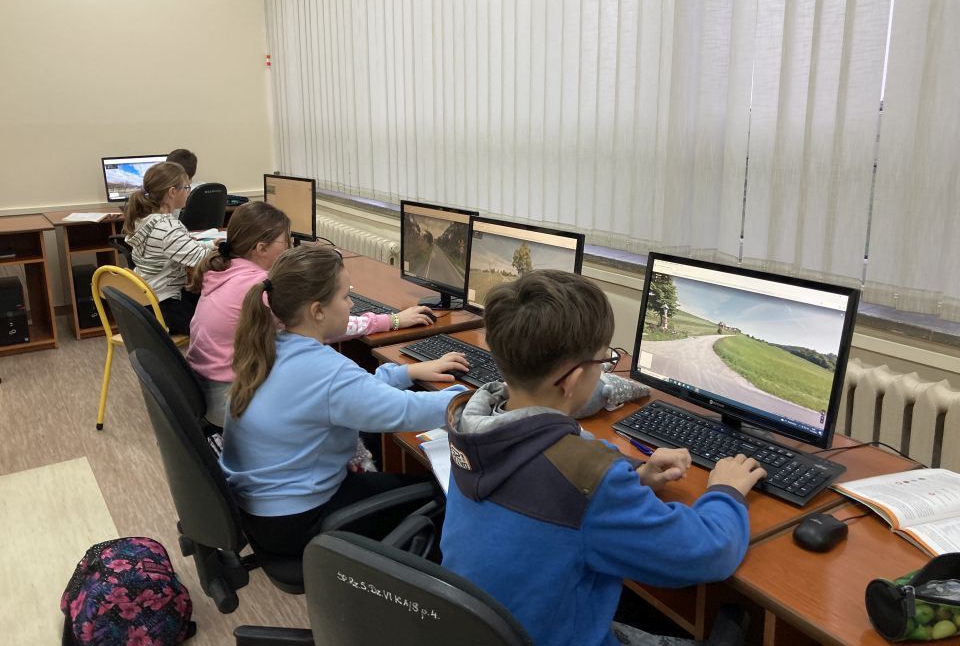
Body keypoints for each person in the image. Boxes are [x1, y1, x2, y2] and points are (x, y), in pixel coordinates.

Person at [439, 270, 766, 646]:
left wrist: (636, 478)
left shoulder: (471, 432)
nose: (605, 370)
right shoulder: (590, 479)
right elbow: (709, 554)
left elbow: (545, 485)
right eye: (605, 361)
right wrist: (726, 491)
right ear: (573, 380)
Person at [220, 245, 469, 557]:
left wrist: (407, 372)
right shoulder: (325, 371)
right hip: (299, 522)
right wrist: (474, 396)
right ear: (317, 311)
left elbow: (351, 392)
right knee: (442, 494)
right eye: (345, 297)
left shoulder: (272, 345)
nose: (351, 305)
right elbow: (406, 411)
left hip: (261, 509)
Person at [187, 201, 439, 427]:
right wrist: (393, 319)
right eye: (285, 241)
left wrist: (404, 373)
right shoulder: (258, 288)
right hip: (231, 399)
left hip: (211, 386)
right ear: (261, 248)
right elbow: (328, 333)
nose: (289, 246)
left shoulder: (226, 270)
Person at [123, 161, 212, 335]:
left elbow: (185, 247)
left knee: (203, 298)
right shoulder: (168, 228)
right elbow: (202, 259)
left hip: (147, 300)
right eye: (186, 187)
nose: (188, 192)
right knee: (217, 322)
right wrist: (226, 249)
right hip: (164, 307)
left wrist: (209, 245)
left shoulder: (146, 219)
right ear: (172, 192)